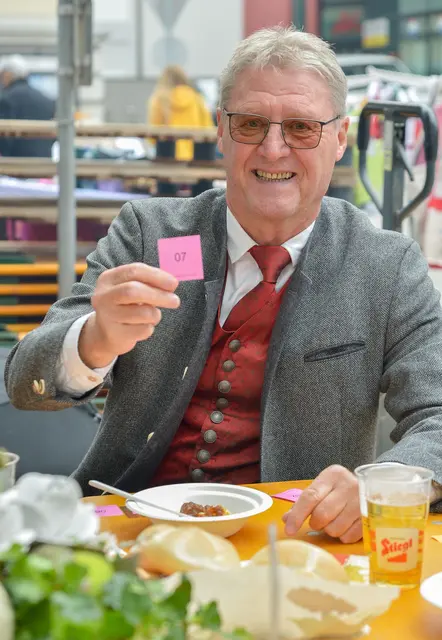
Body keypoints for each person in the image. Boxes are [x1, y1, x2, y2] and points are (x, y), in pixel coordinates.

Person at [5, 27, 442, 544]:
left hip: (296, 543)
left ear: (341, 137)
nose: (273, 150)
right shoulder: (151, 233)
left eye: (301, 128)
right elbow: (24, 382)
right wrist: (94, 339)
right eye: (251, 124)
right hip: (127, 529)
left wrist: (382, 484)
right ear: (221, 130)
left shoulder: (386, 266)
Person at [147, 64, 214, 161]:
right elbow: (208, 128)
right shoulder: (196, 98)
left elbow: (152, 136)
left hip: (167, 157)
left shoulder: (159, 99)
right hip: (195, 156)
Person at [0, 55, 55, 158]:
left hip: (15, 163)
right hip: (44, 162)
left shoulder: (7, 100)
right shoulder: (46, 100)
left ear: (8, 74)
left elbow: (4, 139)